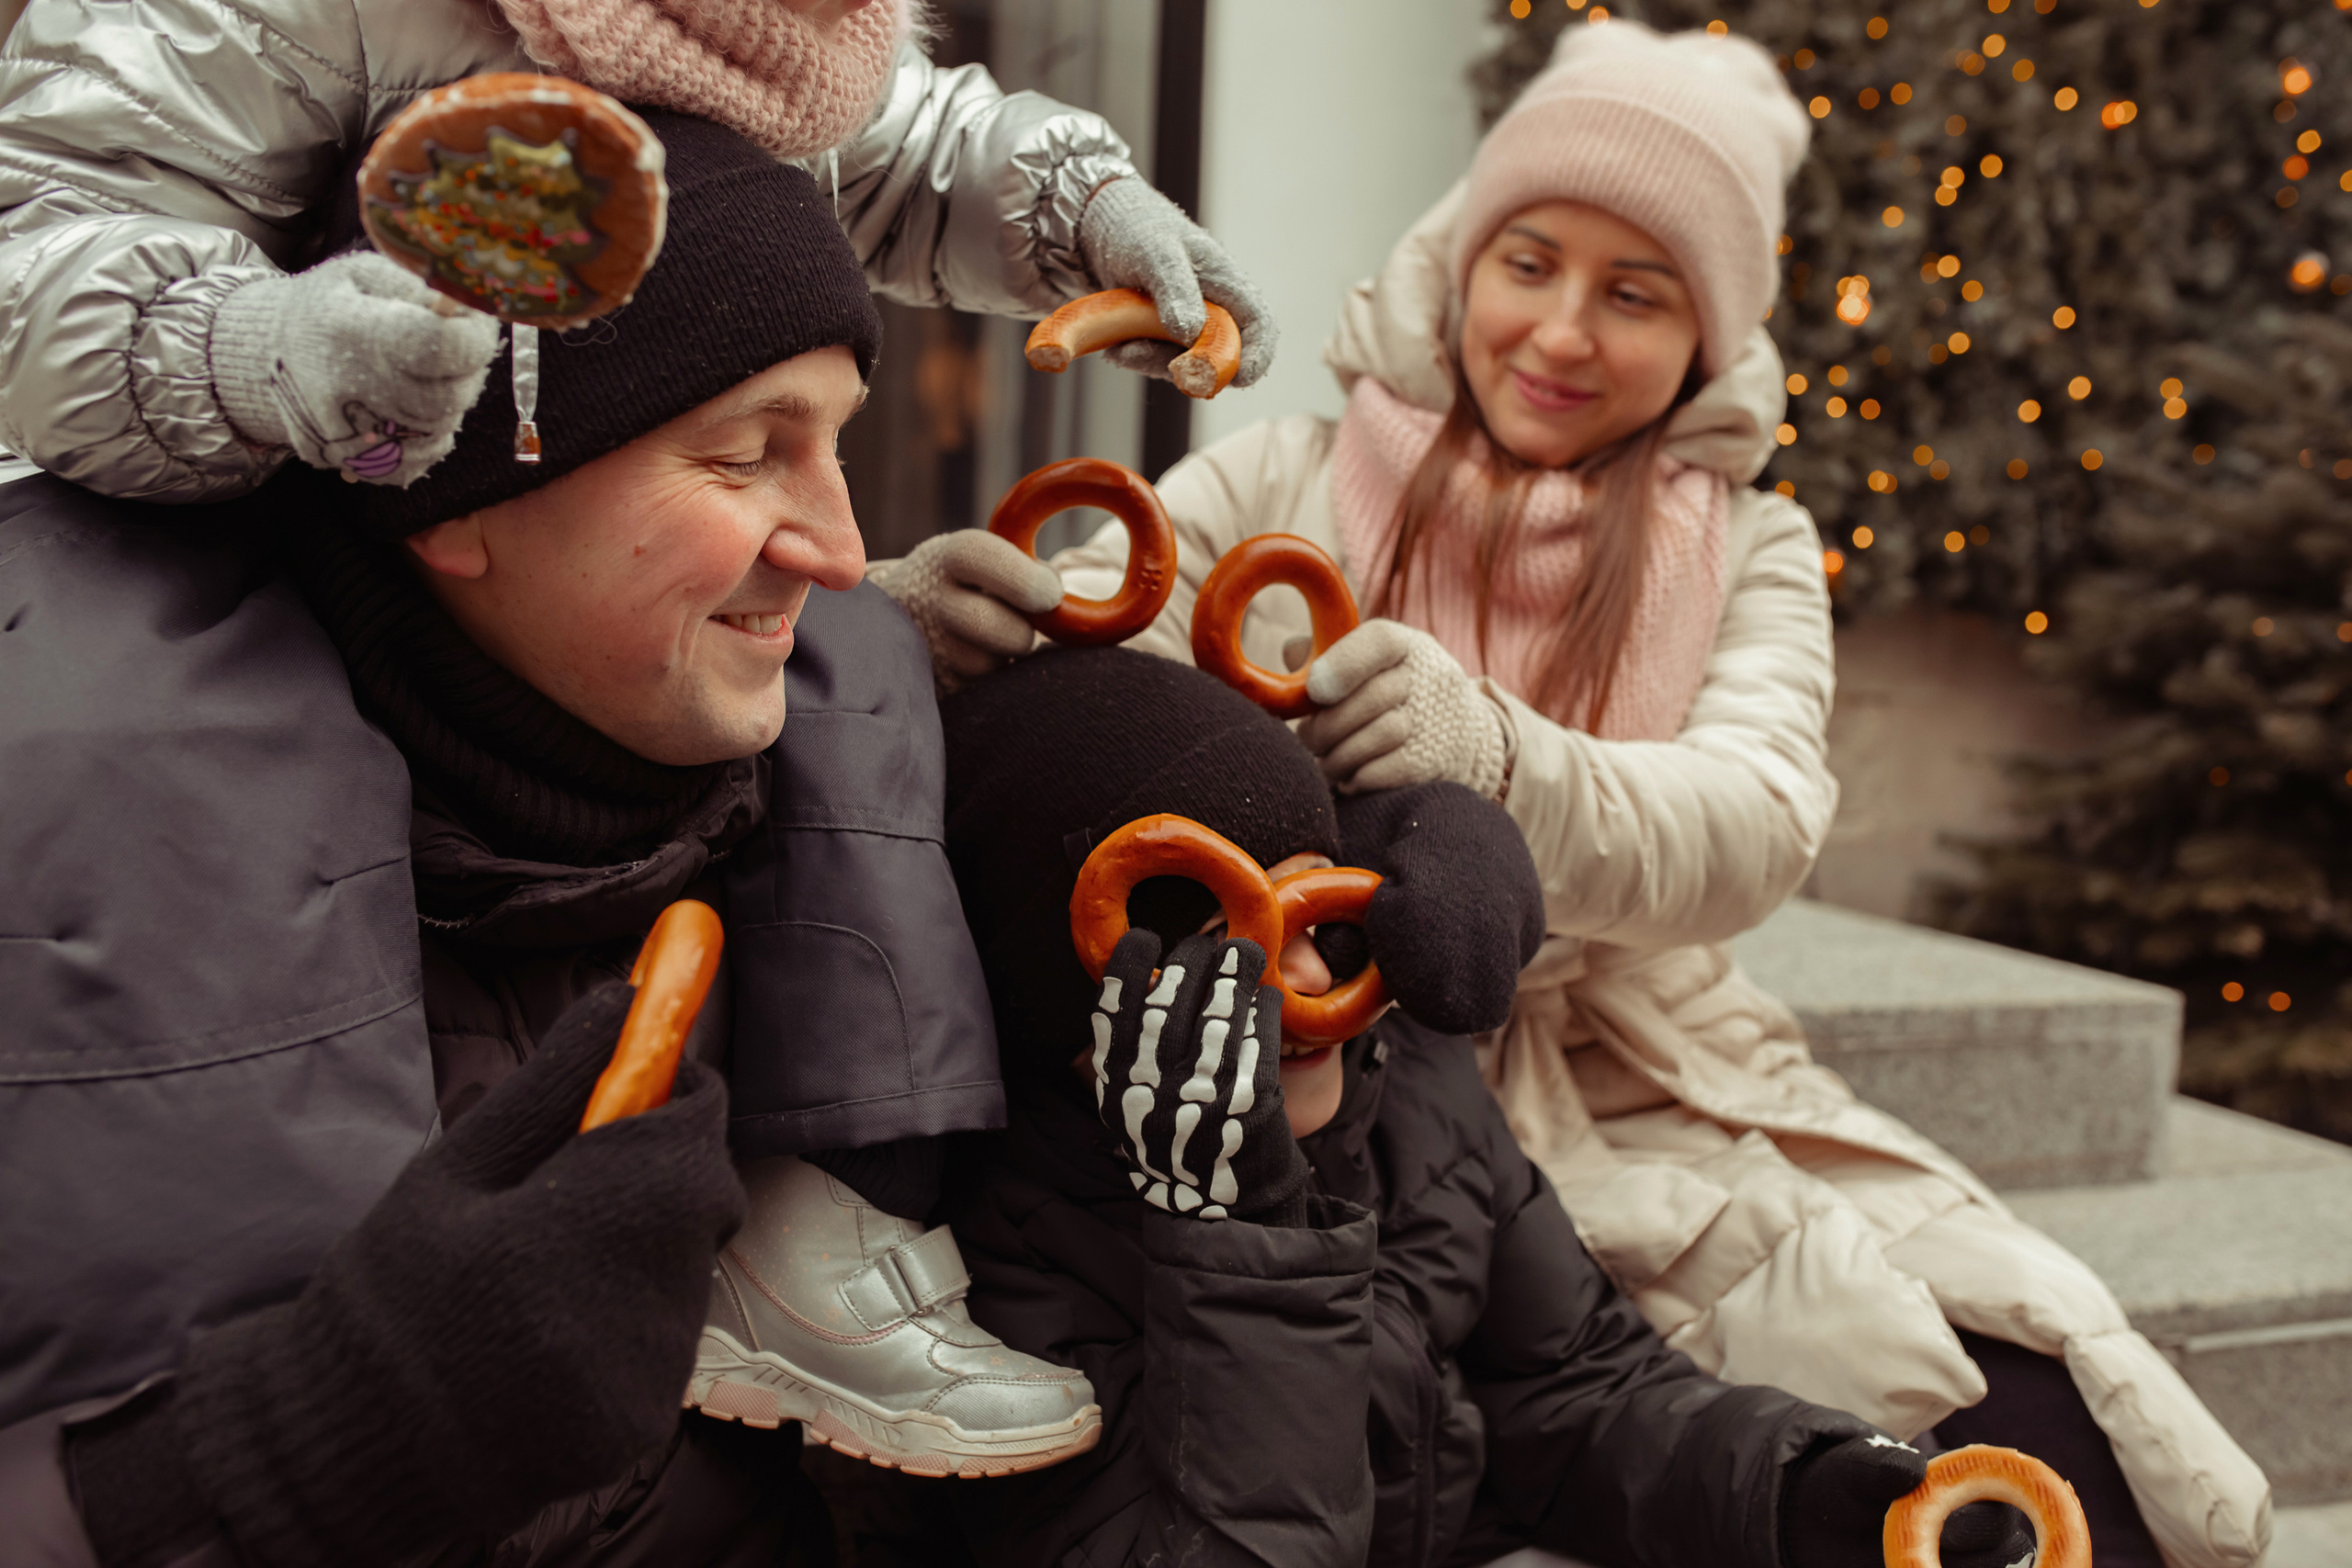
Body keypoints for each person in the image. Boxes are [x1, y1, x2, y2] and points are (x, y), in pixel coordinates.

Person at [889, 21, 2271, 1568]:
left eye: (1637, 292)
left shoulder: (1749, 546)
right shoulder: (1283, 473)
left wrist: (1495, 761)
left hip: (1642, 1078)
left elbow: (1750, 821)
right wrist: (935, 623)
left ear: (1709, 331)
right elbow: (1099, 641)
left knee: (2050, 1434)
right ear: (1463, 257)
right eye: (1530, 260)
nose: (1558, 328)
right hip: (1355, 1068)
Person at [0, 116, 1096, 1568]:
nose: (843, 544)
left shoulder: (835, 849)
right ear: (461, 496)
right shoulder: (52, 850)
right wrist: (280, 1449)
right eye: (745, 454)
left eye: (838, 442)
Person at [876, 644, 2031, 1568]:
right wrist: (1240, 1240)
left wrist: (1806, 1494)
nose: (1315, 984)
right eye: (1212, 949)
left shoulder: (1413, 1089)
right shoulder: (986, 1266)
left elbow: (1573, 1391)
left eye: (1314, 923)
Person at [0, 0, 1272, 500]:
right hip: (228, 554)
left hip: (589, 639)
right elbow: (44, 238)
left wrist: (1080, 203)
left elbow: (898, 150)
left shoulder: (790, 25)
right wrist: (256, 352)